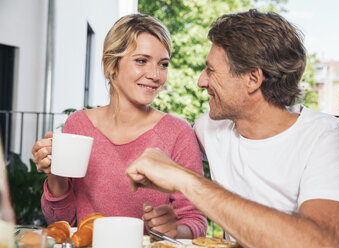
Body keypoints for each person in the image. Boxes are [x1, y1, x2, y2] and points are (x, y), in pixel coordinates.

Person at [126, 9, 339, 248]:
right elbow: (166, 145)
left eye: (211, 70)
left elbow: (326, 243)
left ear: (252, 79)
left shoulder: (329, 140)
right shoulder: (211, 127)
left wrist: (188, 181)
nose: (201, 81)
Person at [31, 14, 207, 239]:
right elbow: (63, 223)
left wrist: (174, 230)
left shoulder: (178, 133)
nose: (155, 75)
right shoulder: (78, 124)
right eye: (142, 61)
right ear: (112, 64)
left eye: (163, 64)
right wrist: (56, 172)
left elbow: (194, 220)